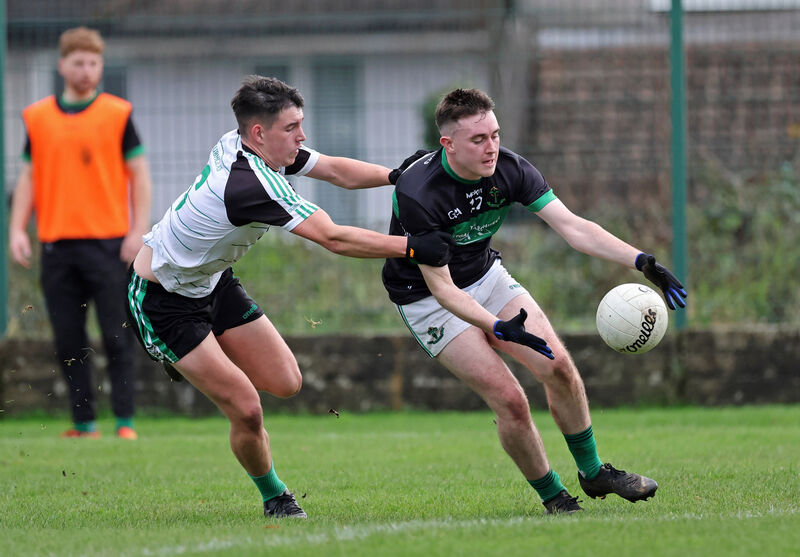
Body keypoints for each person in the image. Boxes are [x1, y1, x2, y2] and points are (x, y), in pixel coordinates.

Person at [126, 75, 452, 519]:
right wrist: (411, 247)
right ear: (259, 133)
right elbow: (333, 238)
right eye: (292, 127)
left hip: (213, 281)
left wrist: (397, 176)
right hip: (162, 300)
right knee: (246, 408)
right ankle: (275, 497)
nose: (302, 136)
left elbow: (334, 170)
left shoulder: (247, 143)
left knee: (286, 382)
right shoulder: (251, 183)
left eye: (302, 124)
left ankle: (201, 358)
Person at [382, 88, 687, 514]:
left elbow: (573, 227)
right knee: (510, 400)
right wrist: (494, 326)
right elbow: (444, 290)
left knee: (558, 367)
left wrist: (641, 260)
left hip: (485, 275)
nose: (491, 147)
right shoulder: (419, 192)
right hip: (428, 298)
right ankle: (554, 496)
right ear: (447, 144)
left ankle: (594, 471)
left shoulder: (510, 168)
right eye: (478, 140)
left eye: (495, 135)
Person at [8, 26, 152, 440]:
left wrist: (137, 229)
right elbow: (29, 177)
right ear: (62, 66)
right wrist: (18, 228)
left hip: (110, 244)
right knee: (69, 341)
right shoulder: (37, 118)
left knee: (117, 336)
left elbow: (139, 175)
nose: (87, 70)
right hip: (56, 246)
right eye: (79, 62)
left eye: (94, 62)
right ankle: (83, 423)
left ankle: (125, 422)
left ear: (101, 66)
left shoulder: (118, 114)